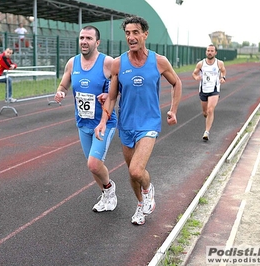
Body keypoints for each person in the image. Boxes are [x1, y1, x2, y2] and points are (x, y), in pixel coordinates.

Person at [94, 16, 182, 225]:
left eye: (135, 33)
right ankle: (141, 205)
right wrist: (103, 121)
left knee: (136, 170)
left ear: (145, 34)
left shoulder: (159, 61)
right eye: (127, 33)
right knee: (132, 173)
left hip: (149, 124)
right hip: (126, 125)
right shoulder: (118, 63)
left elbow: (176, 83)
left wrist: (173, 110)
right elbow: (113, 96)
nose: (131, 37)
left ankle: (148, 189)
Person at [54, 25, 118, 213]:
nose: (84, 41)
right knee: (93, 167)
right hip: (83, 123)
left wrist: (108, 95)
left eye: (89, 38)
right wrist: (60, 92)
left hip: (104, 122)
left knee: (94, 163)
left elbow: (118, 89)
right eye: (82, 38)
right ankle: (106, 195)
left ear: (97, 42)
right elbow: (64, 84)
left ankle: (110, 190)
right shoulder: (72, 63)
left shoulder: (108, 63)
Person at [192, 44, 226, 141]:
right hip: (203, 90)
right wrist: (196, 77)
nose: (209, 52)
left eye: (211, 51)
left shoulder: (219, 63)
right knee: (205, 112)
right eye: (208, 50)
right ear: (206, 52)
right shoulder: (201, 64)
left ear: (215, 52)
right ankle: (207, 116)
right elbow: (194, 73)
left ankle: (206, 132)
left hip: (214, 90)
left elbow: (223, 71)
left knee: (210, 110)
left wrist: (223, 77)